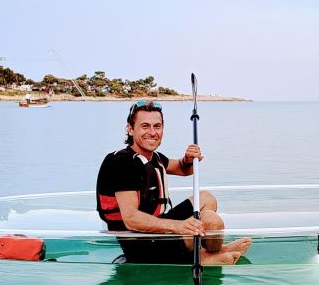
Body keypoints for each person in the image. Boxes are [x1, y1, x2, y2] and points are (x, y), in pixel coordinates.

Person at [96, 101, 251, 264]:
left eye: (157, 126)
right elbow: (131, 219)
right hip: (139, 242)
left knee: (207, 199)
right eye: (145, 126)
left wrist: (188, 159)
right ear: (130, 129)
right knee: (212, 222)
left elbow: (183, 168)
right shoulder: (123, 163)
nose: (152, 132)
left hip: (158, 229)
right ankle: (206, 257)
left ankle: (206, 252)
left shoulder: (153, 158)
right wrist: (179, 226)